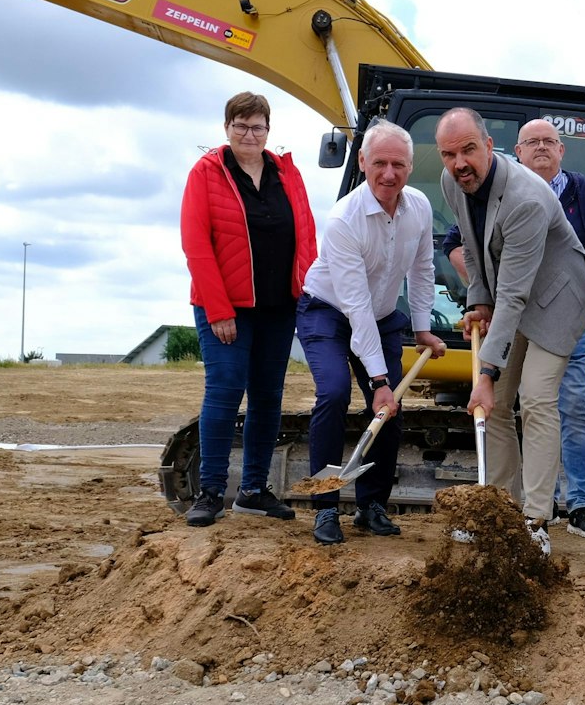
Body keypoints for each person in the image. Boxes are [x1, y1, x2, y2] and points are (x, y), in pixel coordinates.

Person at [441, 118, 585, 537]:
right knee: (497, 403)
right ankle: (499, 511)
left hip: (558, 298)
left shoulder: (526, 199)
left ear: (488, 144)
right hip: (514, 290)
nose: (459, 163)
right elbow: (473, 245)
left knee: (536, 397)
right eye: (448, 154)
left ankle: (536, 520)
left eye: (467, 150)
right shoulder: (454, 183)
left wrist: (484, 372)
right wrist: (479, 301)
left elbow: (516, 296)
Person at [295, 122, 447, 545]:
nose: (389, 173)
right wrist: (378, 380)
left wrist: (421, 329)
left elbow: (421, 271)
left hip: (381, 317)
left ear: (410, 167)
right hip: (327, 311)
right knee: (335, 392)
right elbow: (354, 303)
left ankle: (370, 505)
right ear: (362, 162)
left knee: (390, 409)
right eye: (379, 162)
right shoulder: (344, 219)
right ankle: (326, 510)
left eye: (398, 164)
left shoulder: (418, 207)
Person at [178, 91, 317, 528]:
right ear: (226, 129)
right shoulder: (206, 173)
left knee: (267, 398)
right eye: (241, 125)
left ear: (268, 131)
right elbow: (196, 244)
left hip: (278, 307)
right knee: (224, 392)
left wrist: (307, 294)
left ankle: (254, 490)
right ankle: (211, 491)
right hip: (226, 310)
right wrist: (219, 310)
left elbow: (307, 237)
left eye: (257, 127)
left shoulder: (287, 174)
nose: (249, 134)